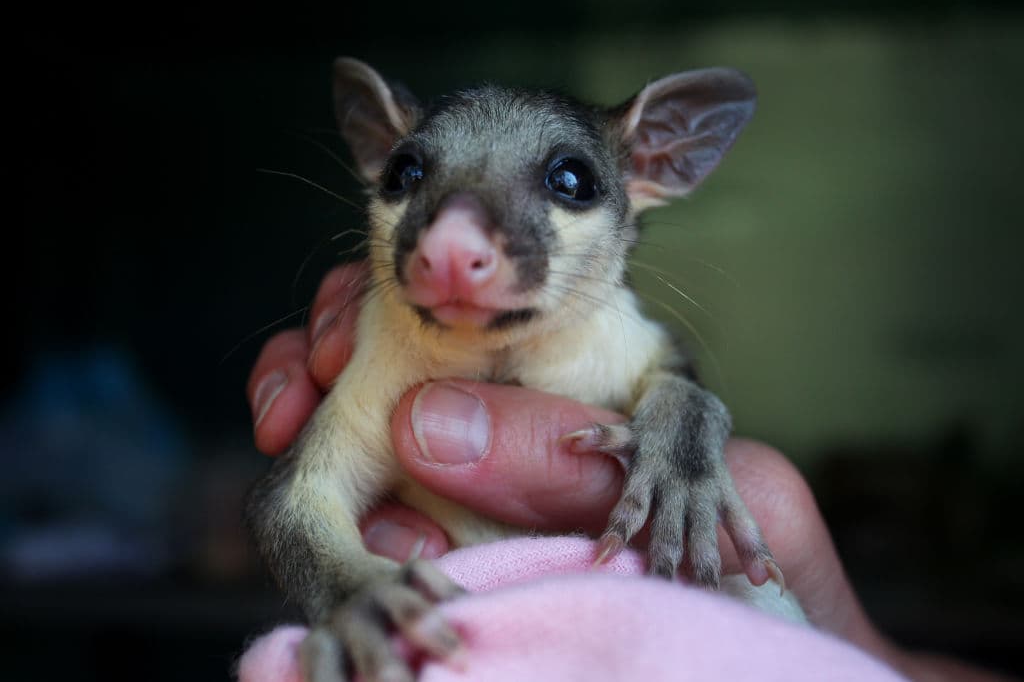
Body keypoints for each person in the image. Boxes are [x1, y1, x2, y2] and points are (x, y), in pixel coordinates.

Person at [244, 264, 1010, 682]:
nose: (460, 244)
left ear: (653, 172)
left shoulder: (624, 340)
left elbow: (682, 394)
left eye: (569, 181)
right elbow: (295, 505)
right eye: (413, 172)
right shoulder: (380, 331)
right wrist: (355, 588)